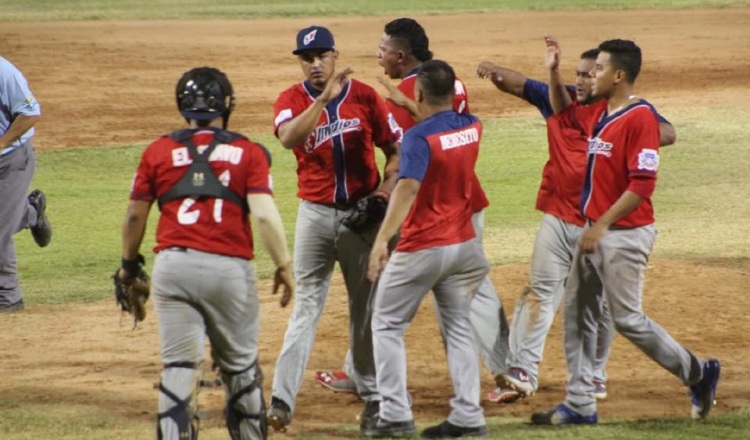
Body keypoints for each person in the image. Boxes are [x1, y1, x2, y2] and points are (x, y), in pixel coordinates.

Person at [314, 16, 510, 404]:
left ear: (400, 56)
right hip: (465, 201)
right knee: (471, 292)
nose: (378, 54)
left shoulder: (406, 94)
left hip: (428, 210)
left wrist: (384, 202)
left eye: (383, 49)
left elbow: (407, 155)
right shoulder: (448, 81)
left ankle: (372, 385)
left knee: (383, 292)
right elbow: (446, 128)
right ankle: (507, 370)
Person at [530, 38, 720, 425]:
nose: (588, 76)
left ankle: (699, 373)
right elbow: (565, 111)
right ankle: (580, 403)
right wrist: (551, 71)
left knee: (627, 318)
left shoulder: (640, 118)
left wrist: (600, 224)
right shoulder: (601, 112)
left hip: (624, 235)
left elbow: (642, 184)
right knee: (577, 313)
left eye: (597, 69)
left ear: (618, 75)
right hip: (595, 232)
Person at [475, 41, 677, 403]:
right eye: (579, 74)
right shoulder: (562, 100)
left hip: (603, 225)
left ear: (607, 76)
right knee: (539, 291)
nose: (583, 81)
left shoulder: (621, 113)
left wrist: (625, 133)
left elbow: (668, 133)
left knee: (599, 307)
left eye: (591, 73)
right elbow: (518, 83)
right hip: (558, 215)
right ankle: (522, 369)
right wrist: (494, 69)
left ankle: (595, 375)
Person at [119, 66, 294, 439]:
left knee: (179, 368)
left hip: (173, 268)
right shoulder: (248, 152)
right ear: (226, 105)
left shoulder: (158, 151)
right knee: (241, 369)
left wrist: (128, 267)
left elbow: (135, 215)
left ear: (182, 105)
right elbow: (263, 215)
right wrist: (284, 265)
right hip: (229, 272)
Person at [266, 25, 401, 432]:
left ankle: (374, 394)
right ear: (301, 62)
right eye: (307, 58)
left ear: (335, 56)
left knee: (365, 308)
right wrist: (323, 100)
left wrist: (381, 195)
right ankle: (280, 401)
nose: (315, 63)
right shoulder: (290, 100)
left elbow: (394, 152)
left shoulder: (365, 97)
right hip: (315, 216)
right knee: (307, 304)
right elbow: (289, 138)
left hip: (361, 214)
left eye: (322, 55)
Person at [361, 59, 489, 439]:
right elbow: (439, 122)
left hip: (424, 246)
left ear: (419, 94)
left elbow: (408, 187)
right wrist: (405, 98)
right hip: (464, 246)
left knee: (385, 324)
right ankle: (469, 417)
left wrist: (382, 240)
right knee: (459, 329)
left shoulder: (417, 138)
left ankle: (396, 415)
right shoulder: (473, 126)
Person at [0, 55, 51, 313]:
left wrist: (1, 142)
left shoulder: (3, 71)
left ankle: (9, 299)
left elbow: (30, 113)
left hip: (10, 160)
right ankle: (30, 212)